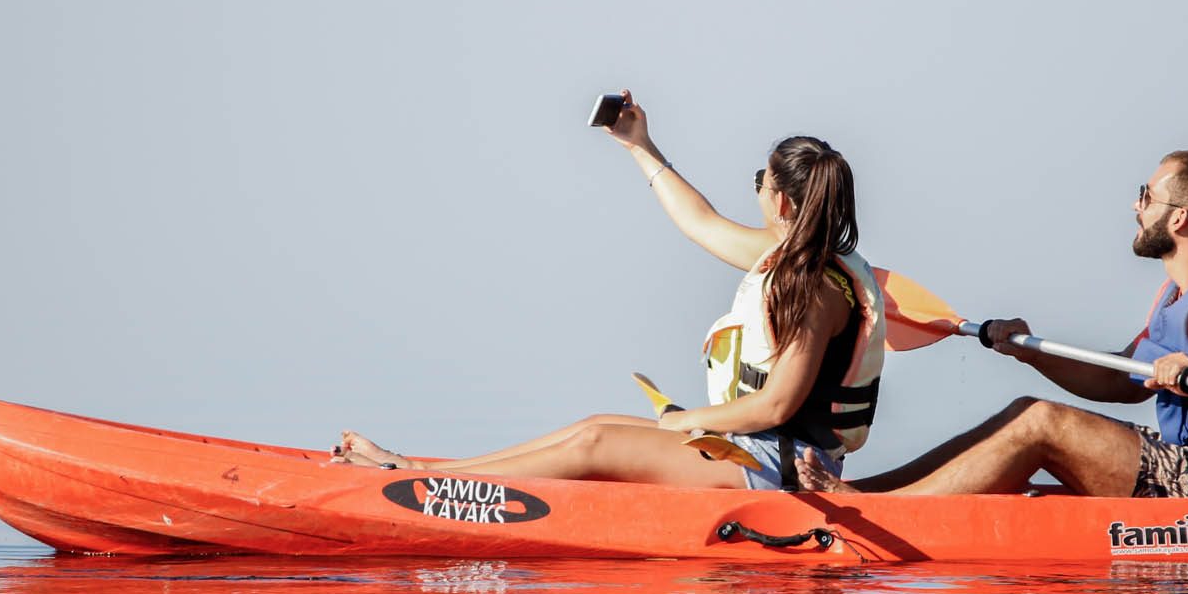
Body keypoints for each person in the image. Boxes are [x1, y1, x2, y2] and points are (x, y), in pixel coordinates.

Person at [334, 91, 885, 491]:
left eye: (759, 183)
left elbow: (778, 402)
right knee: (594, 425)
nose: (758, 193)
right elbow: (699, 221)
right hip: (758, 452)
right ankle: (423, 472)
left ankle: (417, 483)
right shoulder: (793, 263)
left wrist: (688, 419)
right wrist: (638, 145)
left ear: (782, 203)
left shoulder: (814, 289)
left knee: (592, 448)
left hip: (780, 469)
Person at [797, 150, 1188, 527]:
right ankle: (870, 496)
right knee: (1026, 408)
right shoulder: (1179, 293)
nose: (1136, 207)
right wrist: (1029, 351)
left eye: (1146, 196)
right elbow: (1123, 380)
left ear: (1179, 218)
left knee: (1040, 422)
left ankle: (882, 516)